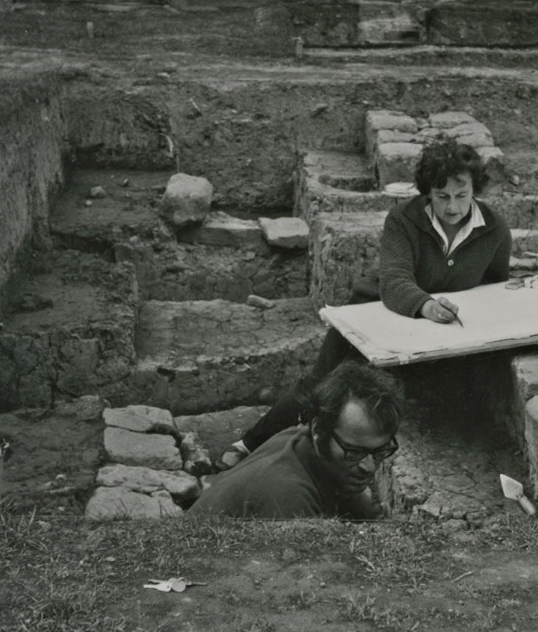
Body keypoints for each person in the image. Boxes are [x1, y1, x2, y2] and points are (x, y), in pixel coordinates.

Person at [216, 136, 512, 469]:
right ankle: (249, 443)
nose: (453, 207)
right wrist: (427, 305)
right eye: (442, 196)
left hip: (435, 329)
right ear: (428, 192)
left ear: (475, 190)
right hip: (376, 311)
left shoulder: (494, 229)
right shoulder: (404, 220)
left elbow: (494, 287)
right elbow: (395, 281)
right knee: (322, 385)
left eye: (462, 195)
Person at [189, 362, 404, 519]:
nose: (369, 467)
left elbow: (350, 497)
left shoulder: (306, 443)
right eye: (354, 452)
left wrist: (373, 517)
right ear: (319, 431)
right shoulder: (288, 496)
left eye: (379, 452)